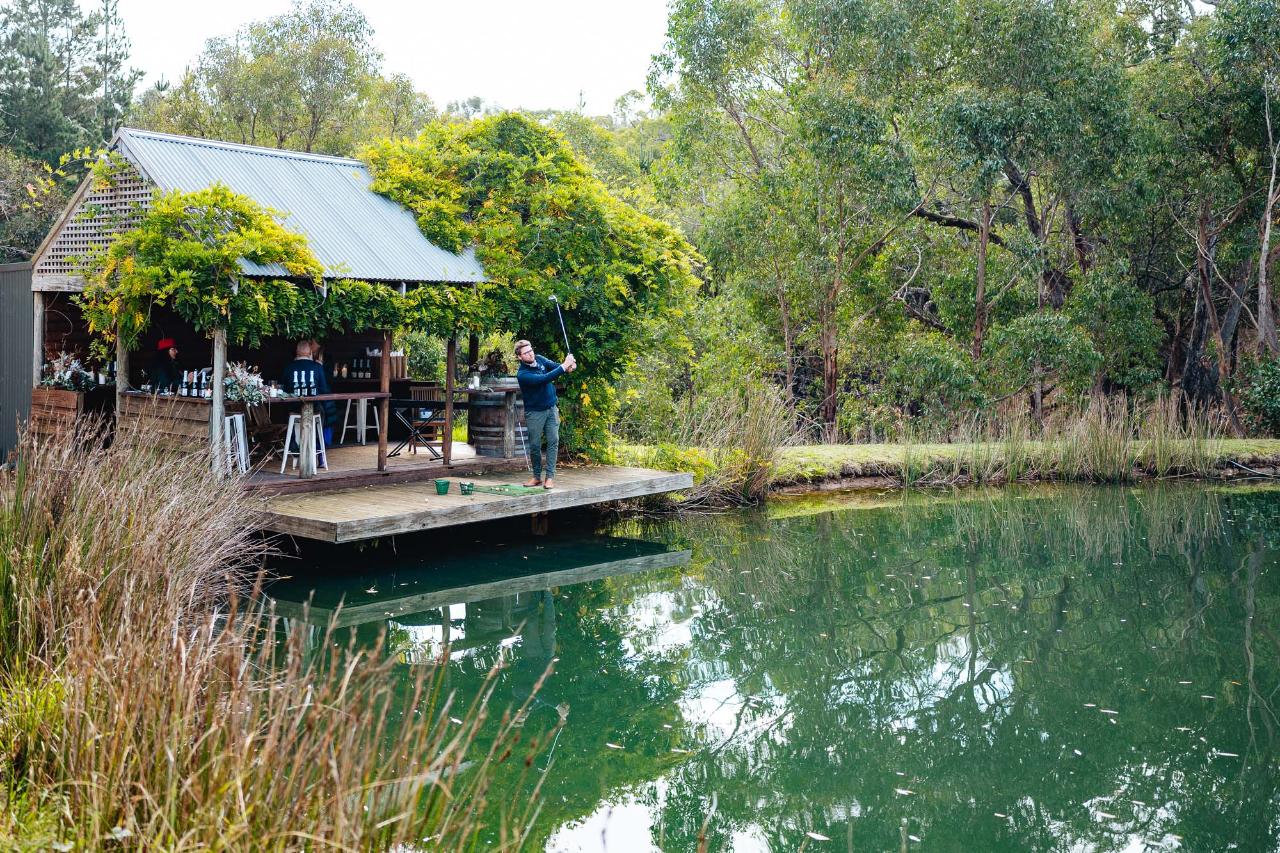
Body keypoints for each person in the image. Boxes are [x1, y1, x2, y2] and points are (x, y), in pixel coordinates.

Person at [514, 339, 575, 489]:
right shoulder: (522, 374)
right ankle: (536, 477)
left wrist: (570, 366)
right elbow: (544, 379)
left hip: (551, 409)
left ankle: (549, 477)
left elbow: (556, 368)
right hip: (534, 412)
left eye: (531, 350)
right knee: (535, 445)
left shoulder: (540, 359)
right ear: (520, 357)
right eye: (526, 353)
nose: (530, 354)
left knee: (553, 441)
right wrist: (564, 365)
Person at [281, 341, 337, 445]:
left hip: (293, 408)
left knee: (285, 413)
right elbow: (324, 389)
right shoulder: (317, 367)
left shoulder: (289, 367)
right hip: (314, 408)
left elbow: (283, 389)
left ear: (297, 352)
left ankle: (293, 443)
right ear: (310, 352)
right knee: (324, 412)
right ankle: (318, 445)